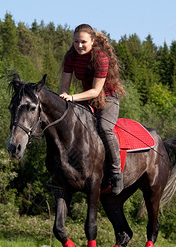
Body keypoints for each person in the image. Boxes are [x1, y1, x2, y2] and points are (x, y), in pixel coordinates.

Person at [59, 24, 125, 195]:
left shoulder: (101, 58)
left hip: (107, 99)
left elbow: (96, 91)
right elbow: (64, 86)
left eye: (83, 42)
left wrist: (72, 97)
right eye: (76, 42)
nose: (79, 46)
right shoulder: (71, 56)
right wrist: (64, 98)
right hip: (85, 98)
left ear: (93, 41)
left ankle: (117, 173)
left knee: (104, 128)